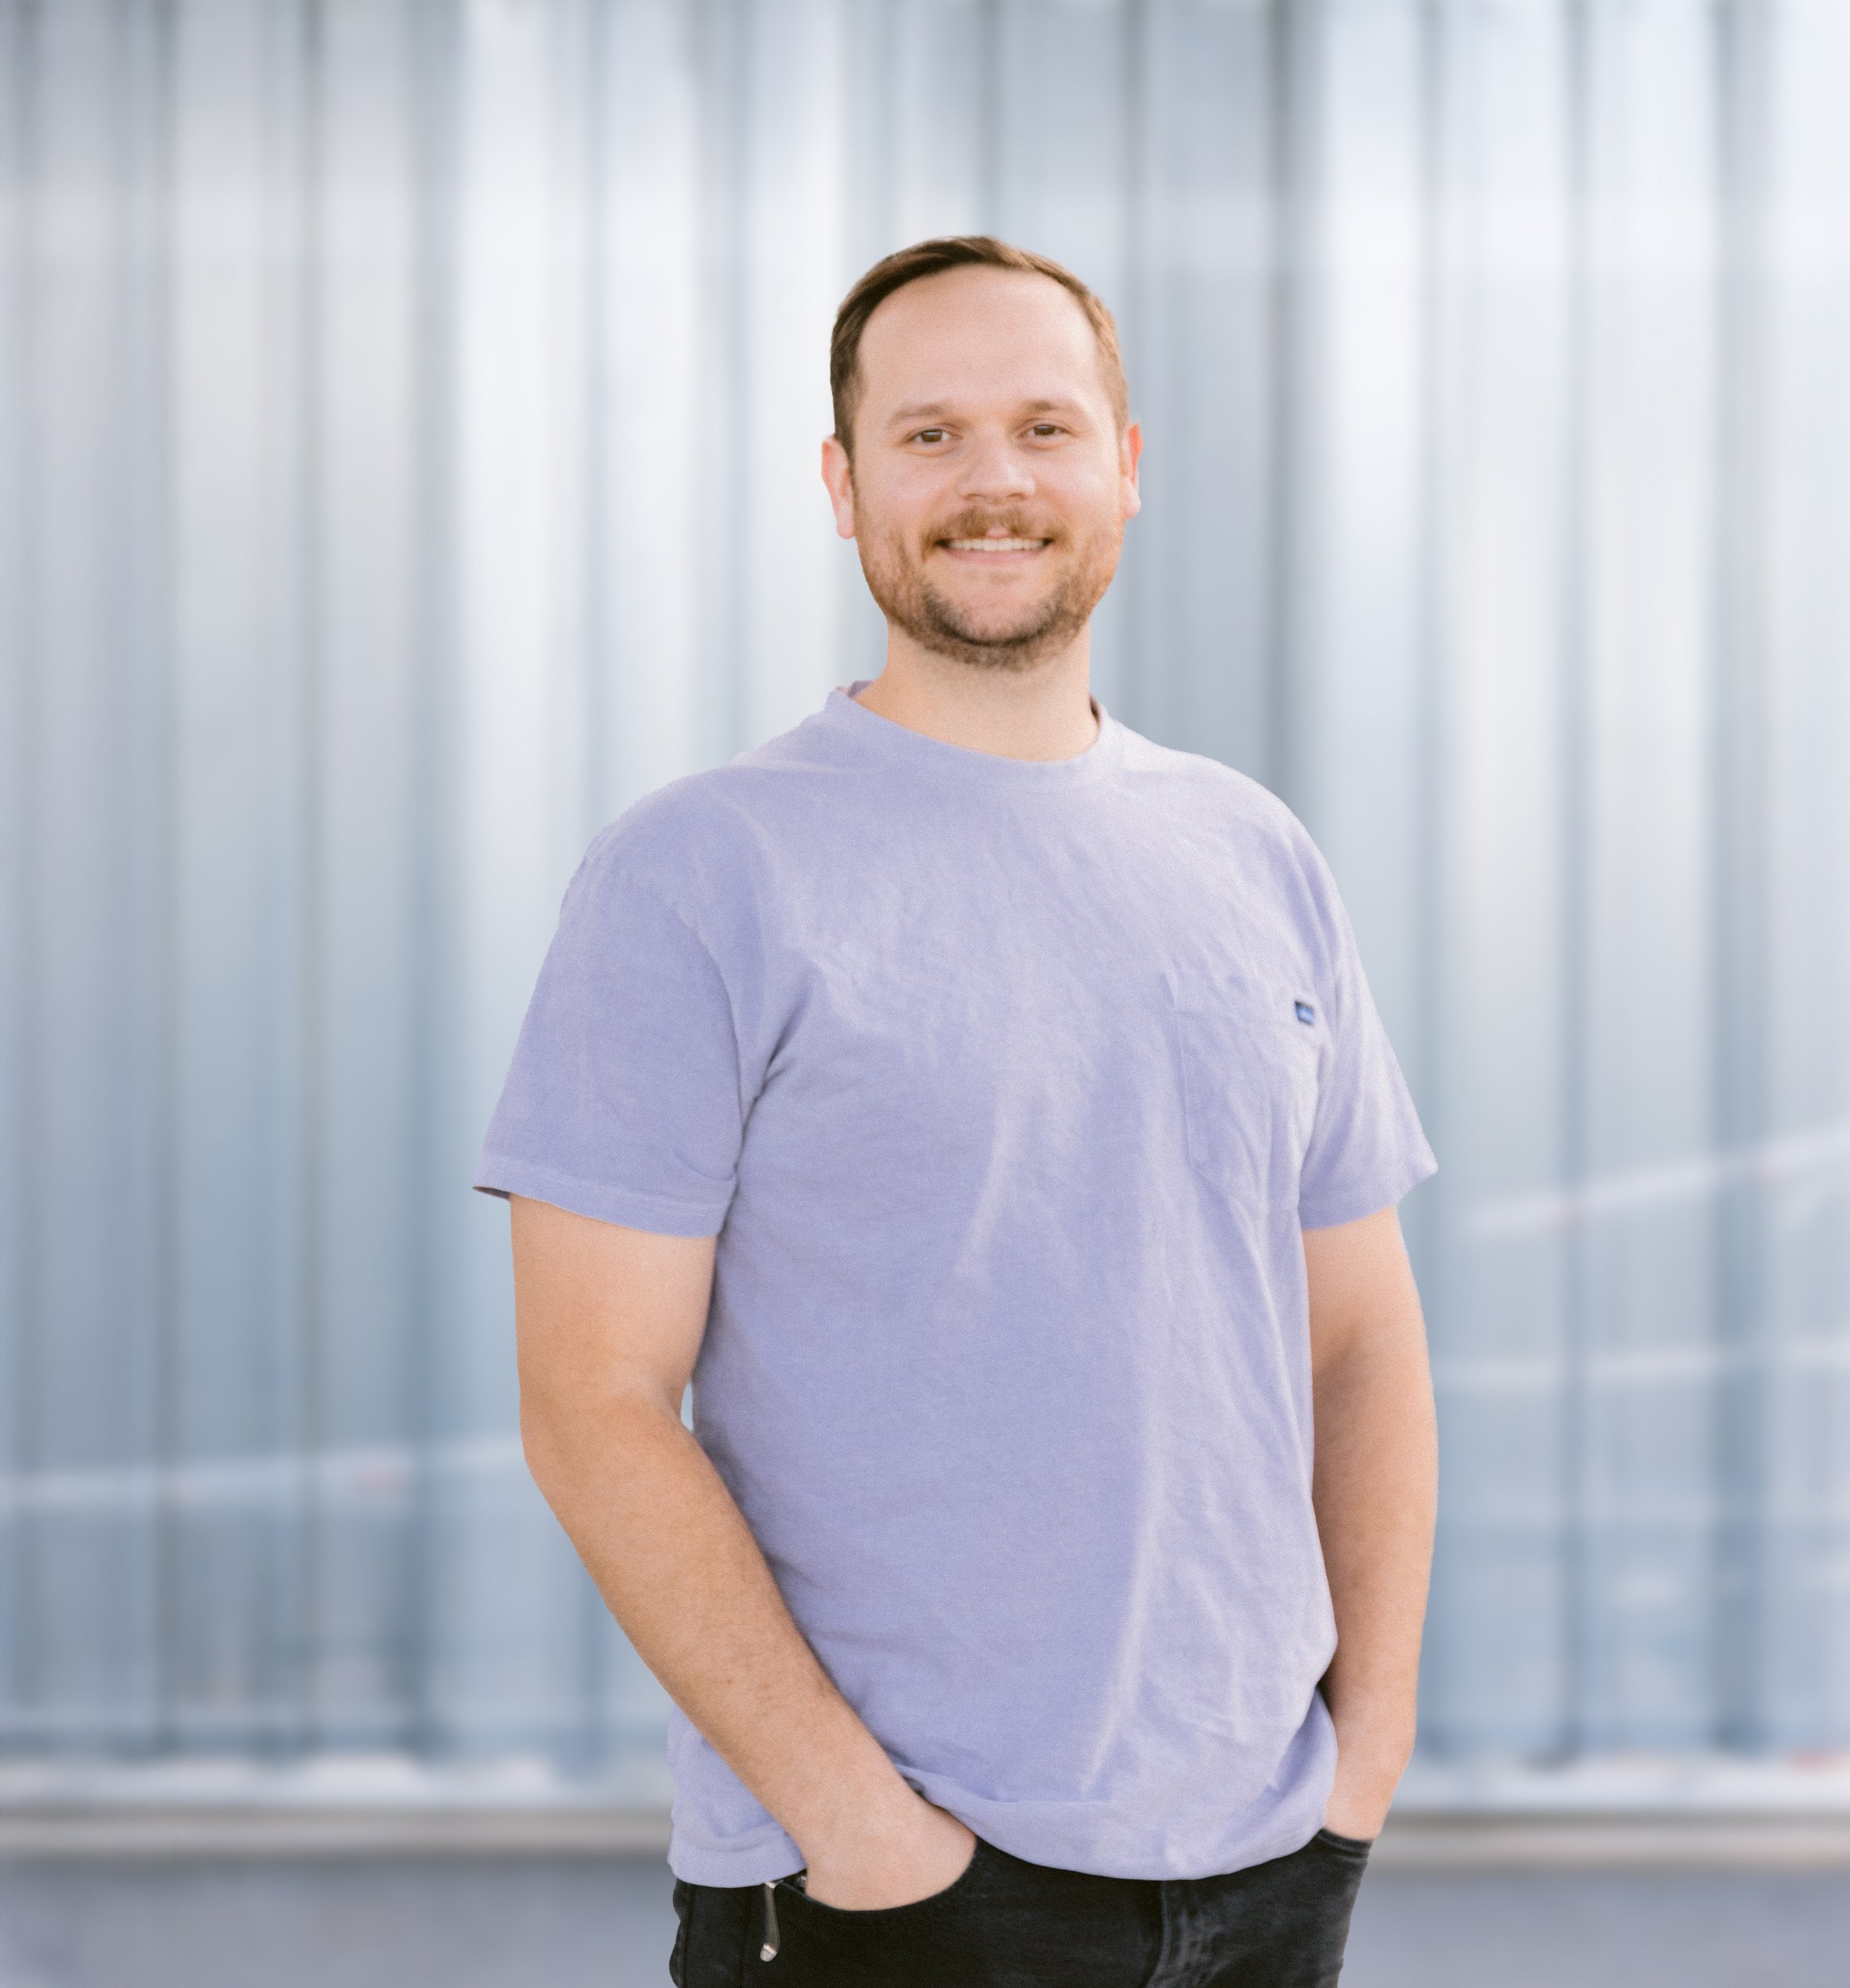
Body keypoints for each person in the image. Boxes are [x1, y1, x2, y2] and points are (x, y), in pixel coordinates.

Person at [474, 235, 1439, 1987]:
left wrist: (1359, 1760)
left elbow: (1358, 1335)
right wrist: (864, 1834)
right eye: (926, 437)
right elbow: (592, 1402)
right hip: (900, 1898)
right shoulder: (699, 873)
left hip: (1265, 1869)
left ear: (1124, 468)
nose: (992, 481)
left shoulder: (1252, 853)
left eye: (1043, 427)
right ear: (842, 487)